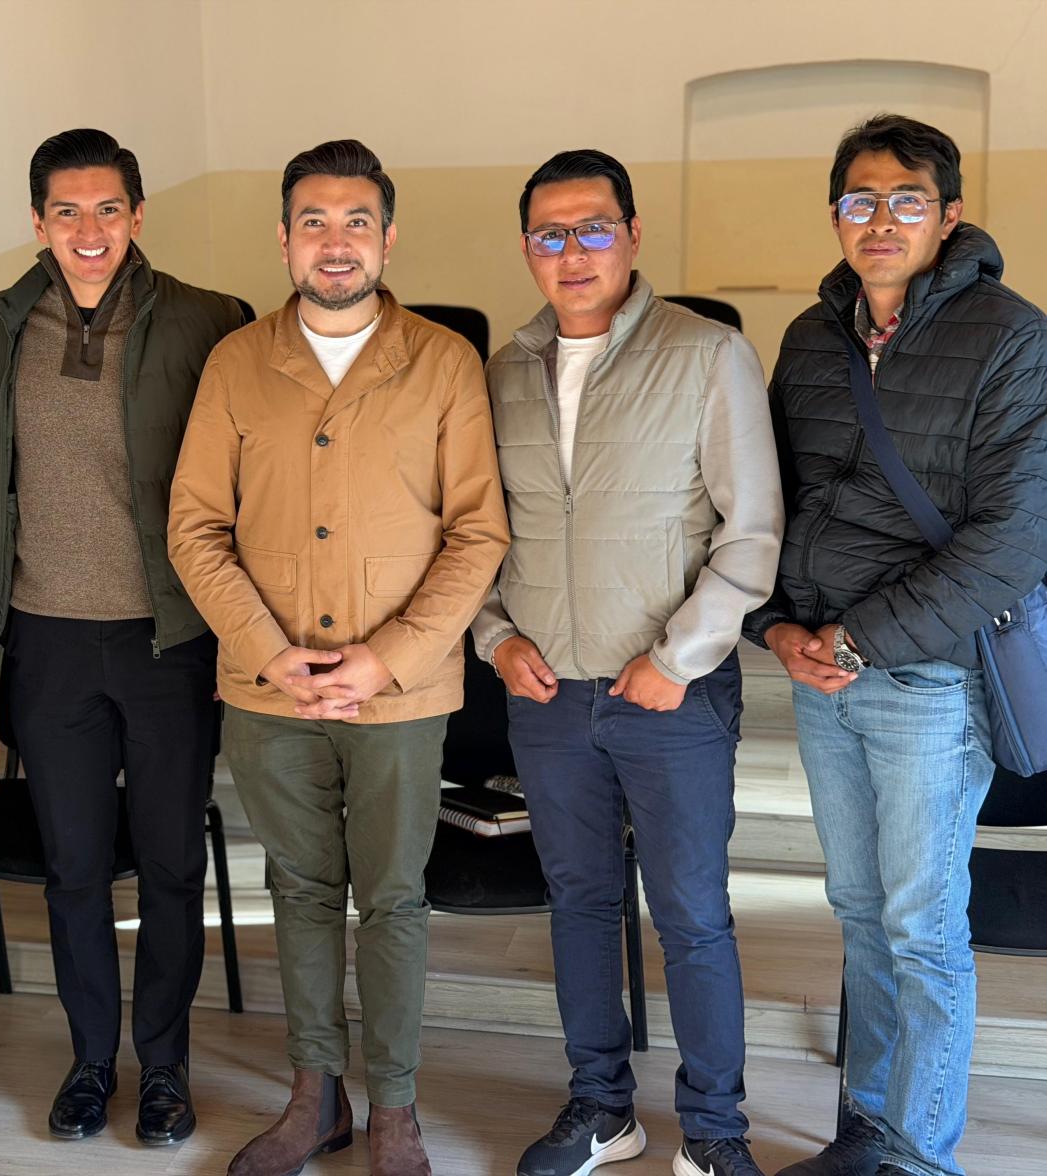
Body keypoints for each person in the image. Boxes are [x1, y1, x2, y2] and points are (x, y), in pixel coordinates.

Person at [169, 139, 510, 1176]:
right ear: (284, 239)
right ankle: (312, 1096)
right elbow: (194, 526)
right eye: (313, 221)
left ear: (387, 238)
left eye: (355, 221)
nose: (334, 241)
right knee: (301, 889)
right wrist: (267, 653)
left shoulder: (442, 362)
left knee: (391, 897)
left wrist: (388, 658)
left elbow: (478, 533)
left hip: (397, 694)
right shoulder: (236, 362)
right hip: (265, 689)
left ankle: (394, 1107)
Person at [470, 148, 783, 1176]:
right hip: (548, 694)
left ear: (633, 234)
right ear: (527, 248)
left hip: (670, 694)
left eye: (593, 227)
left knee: (691, 916)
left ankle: (714, 1131)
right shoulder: (502, 371)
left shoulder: (706, 353)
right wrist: (496, 637)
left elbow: (752, 530)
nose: (573, 252)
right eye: (549, 234)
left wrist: (679, 657)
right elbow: (475, 533)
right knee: (578, 906)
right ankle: (602, 1108)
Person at [746, 115, 1047, 1176]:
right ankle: (867, 1135)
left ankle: (921, 1158)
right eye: (858, 200)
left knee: (921, 928)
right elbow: (769, 500)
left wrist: (855, 638)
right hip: (821, 675)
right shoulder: (808, 339)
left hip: (927, 679)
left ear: (948, 215)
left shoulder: (1011, 336)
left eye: (905, 200)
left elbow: (1012, 541)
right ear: (835, 214)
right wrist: (775, 626)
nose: (879, 220)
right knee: (860, 914)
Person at [0, 128, 245, 1145]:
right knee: (73, 867)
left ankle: (163, 1066)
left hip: (171, 638)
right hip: (46, 641)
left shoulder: (209, 319)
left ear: (137, 215)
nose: (89, 230)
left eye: (108, 209)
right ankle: (89, 1060)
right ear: (37, 221)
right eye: (67, 212)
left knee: (169, 864)